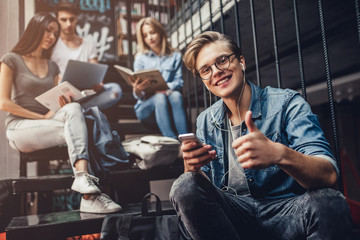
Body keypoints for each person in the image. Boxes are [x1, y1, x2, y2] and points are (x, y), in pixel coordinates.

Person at [169, 31, 352, 239]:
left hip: (285, 212)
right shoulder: (205, 120)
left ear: (241, 62)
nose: (216, 72)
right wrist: (191, 169)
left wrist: (279, 154)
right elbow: (205, 196)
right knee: (184, 186)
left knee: (330, 202)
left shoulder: (286, 104)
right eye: (206, 70)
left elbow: (328, 175)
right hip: (236, 216)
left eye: (222, 60)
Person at [0, 12, 121, 214]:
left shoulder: (52, 65)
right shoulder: (11, 59)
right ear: (35, 29)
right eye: (48, 30)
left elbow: (55, 103)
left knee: (74, 109)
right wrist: (42, 117)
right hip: (19, 128)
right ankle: (93, 195)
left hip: (49, 123)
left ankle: (84, 183)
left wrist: (62, 104)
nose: (51, 36)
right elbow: (4, 103)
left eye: (54, 33)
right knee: (85, 124)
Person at [51, 1, 122, 111]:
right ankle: (78, 110)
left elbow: (95, 71)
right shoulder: (52, 44)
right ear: (57, 20)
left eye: (72, 19)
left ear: (77, 19)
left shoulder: (89, 44)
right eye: (63, 20)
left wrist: (98, 83)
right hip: (61, 94)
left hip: (84, 94)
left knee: (115, 90)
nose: (68, 24)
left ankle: (79, 109)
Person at [132, 17, 188, 139]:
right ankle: (172, 141)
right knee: (159, 97)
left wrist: (166, 88)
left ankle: (186, 140)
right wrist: (137, 91)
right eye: (145, 35)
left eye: (152, 33)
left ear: (160, 32)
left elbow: (179, 82)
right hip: (146, 107)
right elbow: (138, 95)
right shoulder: (140, 58)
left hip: (168, 101)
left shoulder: (175, 56)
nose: (150, 38)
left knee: (176, 95)